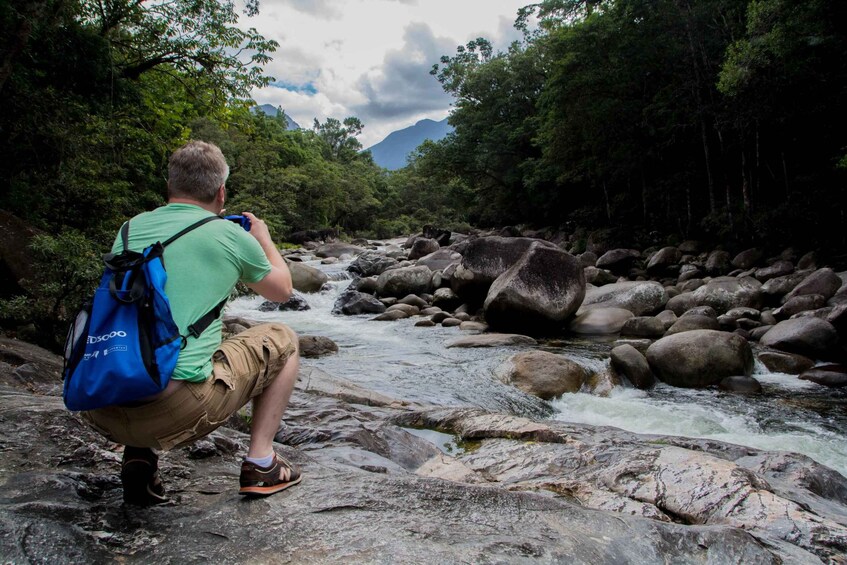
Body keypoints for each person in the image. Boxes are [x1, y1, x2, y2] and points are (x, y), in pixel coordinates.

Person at [81, 140, 302, 505]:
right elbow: (282, 291)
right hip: (175, 412)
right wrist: (262, 238)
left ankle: (138, 457)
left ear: (170, 187)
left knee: (145, 335)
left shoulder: (129, 229)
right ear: (221, 193)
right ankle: (262, 463)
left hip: (101, 405)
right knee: (284, 337)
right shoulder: (229, 234)